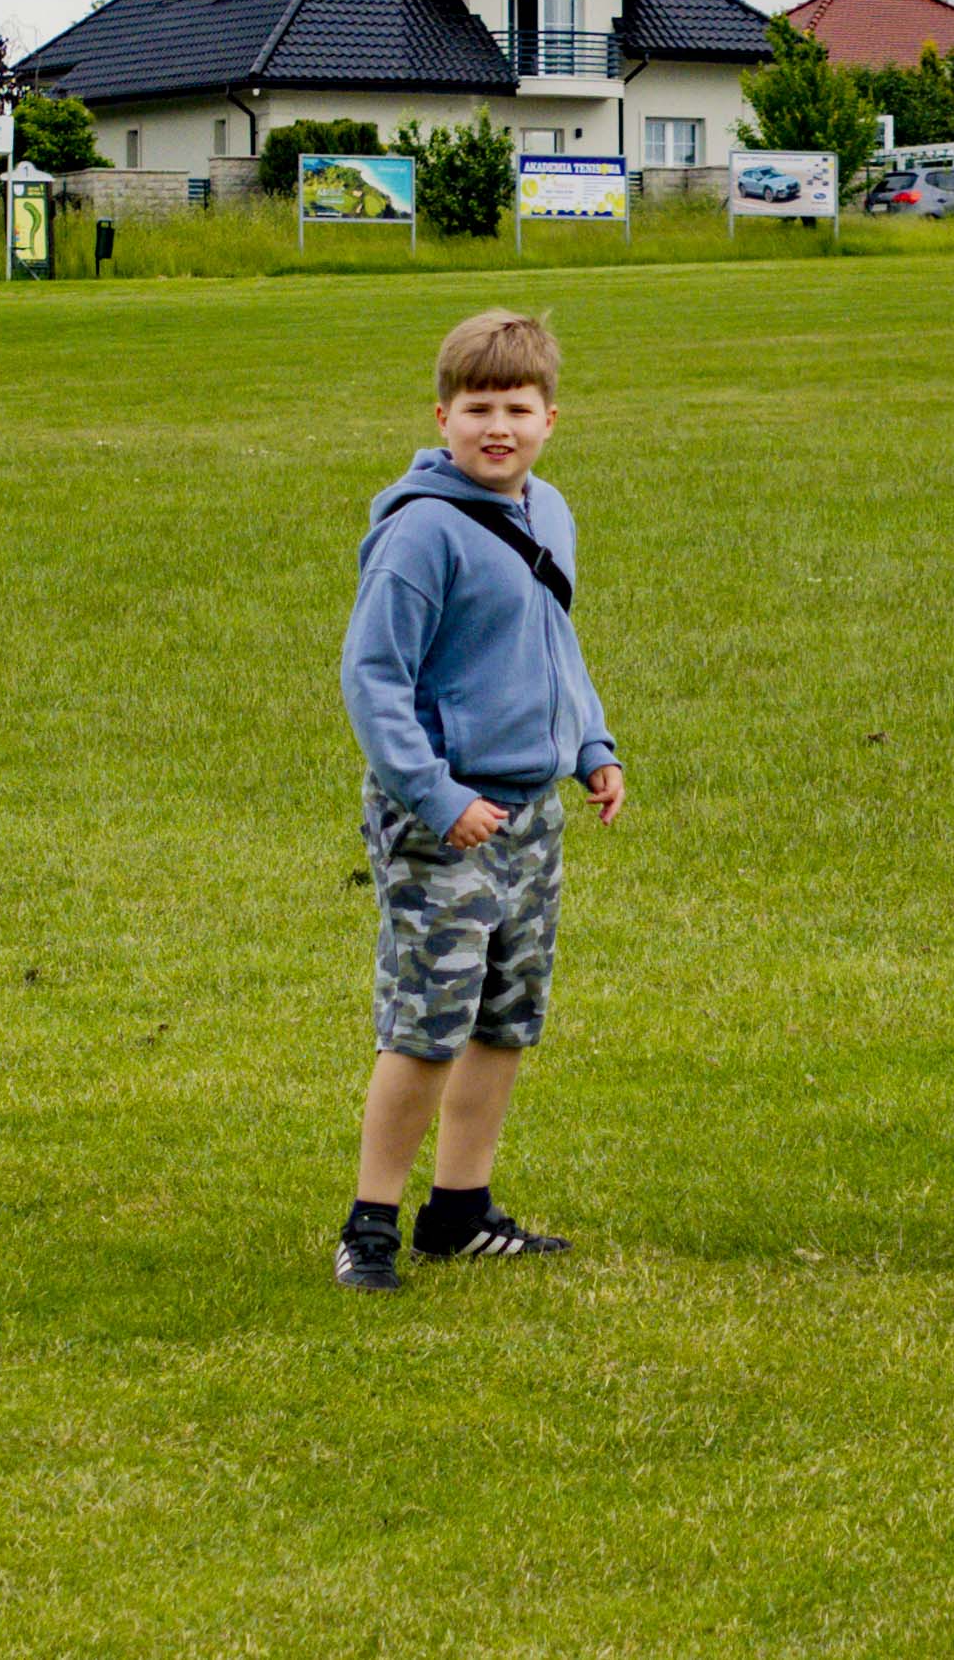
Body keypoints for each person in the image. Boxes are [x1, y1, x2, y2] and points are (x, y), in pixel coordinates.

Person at [332, 310, 625, 1293]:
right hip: (441, 819)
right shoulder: (421, 531)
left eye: (517, 409)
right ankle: (370, 1223)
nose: (497, 427)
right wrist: (434, 794)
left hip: (529, 813)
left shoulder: (549, 511)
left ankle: (460, 1211)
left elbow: (554, 645)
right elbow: (374, 678)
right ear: (442, 416)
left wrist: (590, 747)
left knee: (504, 1016)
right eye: (477, 409)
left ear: (550, 418)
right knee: (428, 1020)